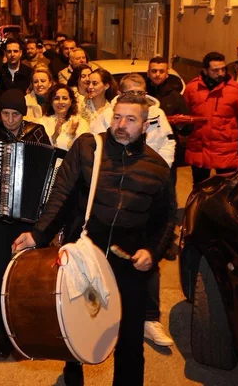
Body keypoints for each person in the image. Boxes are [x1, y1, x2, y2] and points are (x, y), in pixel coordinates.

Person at [12, 94, 174, 386]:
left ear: (145, 125)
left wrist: (152, 251)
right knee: (76, 323)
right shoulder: (89, 147)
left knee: (130, 338)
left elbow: (165, 220)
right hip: (85, 255)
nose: (121, 125)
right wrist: (39, 234)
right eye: (117, 117)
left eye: (130, 119)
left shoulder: (157, 168)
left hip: (128, 264)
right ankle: (73, 374)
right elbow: (61, 194)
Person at [0, 89, 51, 360]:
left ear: (23, 114)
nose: (10, 120)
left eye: (15, 114)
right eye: (5, 113)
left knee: (26, 276)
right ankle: (0, 332)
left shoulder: (37, 133)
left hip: (28, 219)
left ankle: (24, 328)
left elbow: (49, 170)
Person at [114, 73, 177, 347]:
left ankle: (149, 319)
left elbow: (168, 145)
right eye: (129, 92)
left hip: (146, 190)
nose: (135, 96)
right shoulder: (109, 116)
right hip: (114, 195)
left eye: (139, 92)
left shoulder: (157, 116)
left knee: (147, 257)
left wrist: (154, 170)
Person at [184, 52, 238, 185]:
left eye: (223, 69)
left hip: (225, 150)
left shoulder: (235, 90)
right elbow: (184, 114)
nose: (220, 73)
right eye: (215, 70)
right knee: (199, 188)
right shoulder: (192, 88)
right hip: (199, 149)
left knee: (226, 188)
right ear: (205, 71)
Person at [38, 84, 90, 151]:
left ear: (71, 101)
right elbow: (40, 150)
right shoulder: (41, 123)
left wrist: (73, 135)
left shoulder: (81, 123)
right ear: (51, 102)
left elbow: (85, 149)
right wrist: (55, 135)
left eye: (65, 98)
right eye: (56, 98)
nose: (61, 102)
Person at [83, 68, 118, 133]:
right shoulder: (81, 106)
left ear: (106, 86)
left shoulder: (112, 108)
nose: (90, 87)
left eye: (94, 83)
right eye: (88, 83)